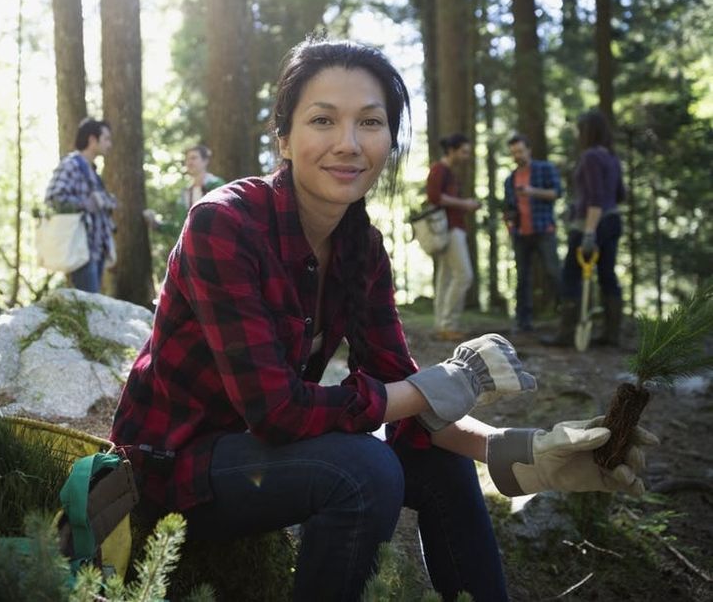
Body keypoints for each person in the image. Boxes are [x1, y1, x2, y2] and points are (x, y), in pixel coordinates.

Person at [110, 38, 654, 601]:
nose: (348, 144)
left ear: (389, 140)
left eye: (370, 122)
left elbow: (405, 392)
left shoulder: (361, 249)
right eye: (323, 119)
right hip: (170, 470)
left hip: (266, 463)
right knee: (364, 469)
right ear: (284, 137)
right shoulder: (223, 224)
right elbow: (276, 412)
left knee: (438, 467)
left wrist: (523, 452)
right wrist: (431, 388)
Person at [544, 110, 626, 348]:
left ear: (587, 132)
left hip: (590, 225)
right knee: (608, 276)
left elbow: (596, 199)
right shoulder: (611, 157)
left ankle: (567, 334)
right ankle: (612, 335)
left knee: (571, 276)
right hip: (612, 221)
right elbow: (619, 194)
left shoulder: (590, 157)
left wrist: (589, 232)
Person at [44, 118, 117, 293]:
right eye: (106, 138)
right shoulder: (71, 165)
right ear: (92, 140)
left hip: (96, 249)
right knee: (88, 304)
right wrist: (84, 204)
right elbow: (53, 198)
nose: (109, 144)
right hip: (81, 249)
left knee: (92, 303)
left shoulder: (91, 170)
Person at [503, 133, 562, 333]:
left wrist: (532, 191)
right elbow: (508, 207)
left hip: (544, 229)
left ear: (529, 149)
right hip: (521, 234)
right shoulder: (510, 179)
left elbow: (556, 193)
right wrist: (510, 224)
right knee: (523, 279)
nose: (517, 155)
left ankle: (566, 316)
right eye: (513, 153)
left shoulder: (545, 169)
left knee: (554, 273)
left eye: (520, 151)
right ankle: (523, 322)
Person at [426, 133, 482, 341]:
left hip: (453, 227)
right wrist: (465, 204)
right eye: (464, 151)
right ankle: (448, 324)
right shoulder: (439, 169)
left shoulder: (448, 171)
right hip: (448, 229)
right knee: (463, 275)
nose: (466, 156)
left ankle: (443, 325)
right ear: (452, 150)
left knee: (447, 276)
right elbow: (434, 197)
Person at [143, 144, 226, 233]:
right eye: (187, 159)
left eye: (194, 158)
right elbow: (181, 228)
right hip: (191, 245)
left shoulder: (217, 185)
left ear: (205, 161)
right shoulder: (186, 192)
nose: (189, 162)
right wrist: (157, 225)